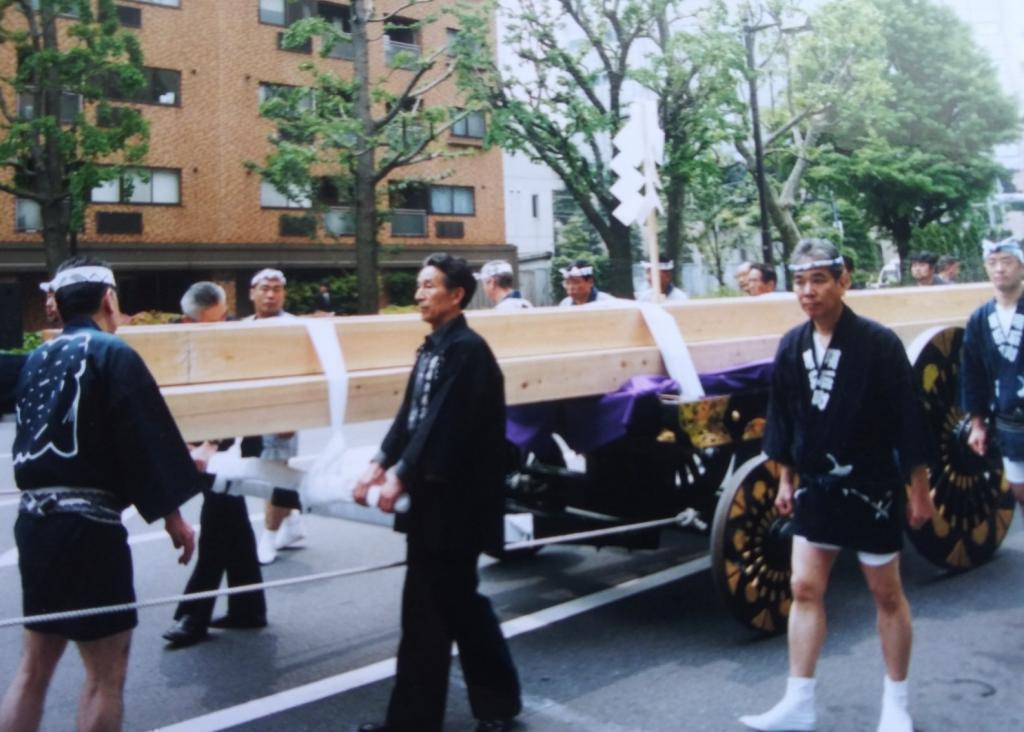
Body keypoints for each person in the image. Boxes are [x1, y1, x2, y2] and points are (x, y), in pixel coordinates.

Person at [740, 239, 935, 732]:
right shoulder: (791, 344)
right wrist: (785, 478)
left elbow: (908, 420)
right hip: (817, 485)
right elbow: (784, 418)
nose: (808, 292)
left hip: (871, 484)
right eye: (800, 282)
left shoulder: (879, 343)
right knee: (805, 587)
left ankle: (896, 704)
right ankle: (798, 702)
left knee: (886, 595)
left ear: (843, 281)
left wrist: (919, 487)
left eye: (819, 280)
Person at [0, 256, 201, 732]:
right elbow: (143, 438)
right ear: (109, 299)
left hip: (34, 526)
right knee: (104, 677)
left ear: (59, 306)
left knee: (33, 669)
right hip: (88, 529)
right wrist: (174, 519)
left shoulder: (36, 358)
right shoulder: (114, 353)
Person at [353, 253, 521, 732]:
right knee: (447, 606)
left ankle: (434, 717)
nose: (419, 294)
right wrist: (378, 463)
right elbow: (411, 416)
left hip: (460, 504)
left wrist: (400, 475)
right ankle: (493, 704)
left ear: (457, 295)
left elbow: (444, 424)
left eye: (429, 286)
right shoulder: (434, 348)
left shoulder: (468, 351)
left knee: (441, 608)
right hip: (434, 502)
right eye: (420, 285)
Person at [162, 283, 267, 648]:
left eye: (222, 318)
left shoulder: (232, 334)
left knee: (219, 522)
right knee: (231, 519)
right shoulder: (175, 337)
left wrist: (209, 444)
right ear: (187, 318)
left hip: (229, 443)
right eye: (209, 322)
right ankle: (248, 606)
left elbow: (238, 397)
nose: (220, 325)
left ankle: (194, 615)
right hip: (196, 441)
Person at [245, 268, 304, 565]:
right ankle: (292, 524)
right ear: (252, 293)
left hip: (282, 410)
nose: (271, 294)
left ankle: (268, 538)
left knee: (273, 476)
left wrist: (291, 415)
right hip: (251, 412)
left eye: (277, 289)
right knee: (265, 471)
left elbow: (304, 374)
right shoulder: (241, 326)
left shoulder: (294, 327)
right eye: (265, 288)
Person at [962, 238, 1024, 514]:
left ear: (1021, 267)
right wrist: (977, 424)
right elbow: (971, 374)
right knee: (1021, 492)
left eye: (1007, 262)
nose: (999, 269)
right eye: (992, 263)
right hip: (1009, 423)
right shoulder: (979, 319)